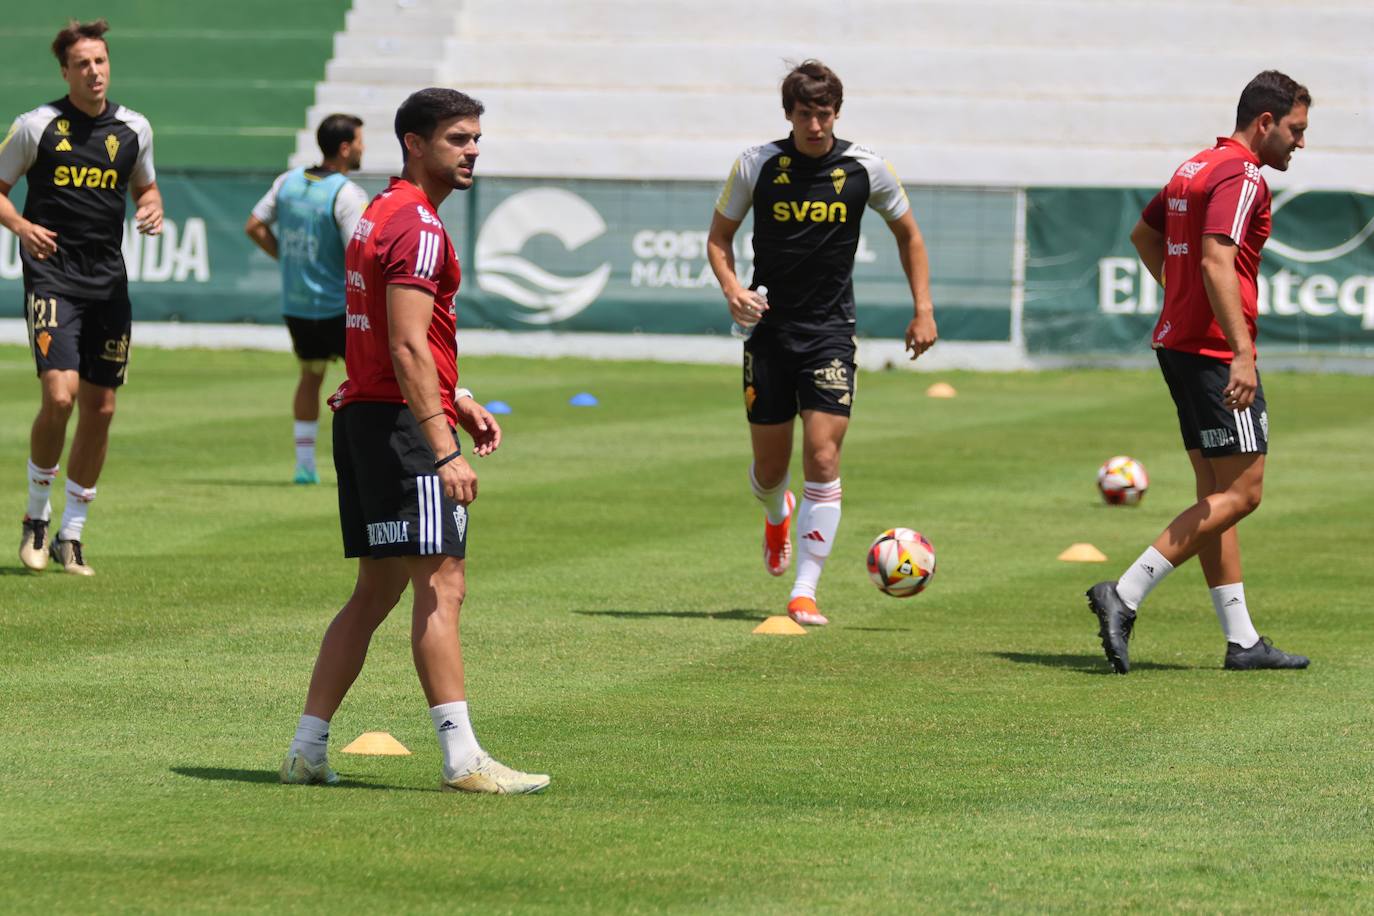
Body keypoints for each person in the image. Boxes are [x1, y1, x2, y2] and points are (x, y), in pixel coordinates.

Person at [279, 87, 548, 794]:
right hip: (399, 426)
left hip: (367, 417)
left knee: (375, 592)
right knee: (443, 584)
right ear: (416, 143)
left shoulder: (378, 212)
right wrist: (444, 444)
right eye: (458, 138)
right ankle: (463, 759)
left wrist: (454, 397)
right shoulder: (421, 226)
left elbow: (399, 339)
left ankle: (306, 749)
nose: (473, 151)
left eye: (475, 138)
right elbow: (403, 343)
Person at [1087, 70, 1312, 674]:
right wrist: (1241, 350)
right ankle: (1125, 593)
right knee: (1243, 494)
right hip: (1214, 352)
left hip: (1180, 344)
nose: (1300, 143)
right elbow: (1215, 259)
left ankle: (1242, 641)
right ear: (1264, 123)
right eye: (1295, 130)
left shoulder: (1194, 167)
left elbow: (1144, 234)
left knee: (1216, 494)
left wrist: (1179, 297)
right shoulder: (1242, 176)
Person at [706, 59, 938, 627]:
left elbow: (909, 234)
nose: (816, 124)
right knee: (768, 470)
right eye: (805, 114)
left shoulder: (866, 167)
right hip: (769, 332)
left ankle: (805, 590)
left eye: (825, 114)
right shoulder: (756, 164)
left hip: (832, 332)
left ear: (837, 113)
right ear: (789, 114)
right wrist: (734, 290)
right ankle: (775, 513)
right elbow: (719, 239)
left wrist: (923, 311)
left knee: (824, 456)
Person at [1, 19, 161, 576]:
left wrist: (152, 205)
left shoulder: (134, 127)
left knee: (103, 406)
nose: (94, 71)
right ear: (65, 71)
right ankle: (36, 518)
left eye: (101, 61)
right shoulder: (36, 126)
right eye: (83, 64)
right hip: (52, 276)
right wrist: (21, 226)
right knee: (61, 396)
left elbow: (146, 185)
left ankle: (72, 535)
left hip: (108, 283)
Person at [245, 114, 370, 484]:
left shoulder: (288, 181)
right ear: (345, 148)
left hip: (297, 306)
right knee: (366, 383)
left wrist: (286, 256)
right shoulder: (347, 193)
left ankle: (305, 466)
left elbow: (254, 225)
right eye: (361, 141)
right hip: (338, 308)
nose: (364, 147)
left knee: (311, 375)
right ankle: (366, 462)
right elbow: (358, 252)